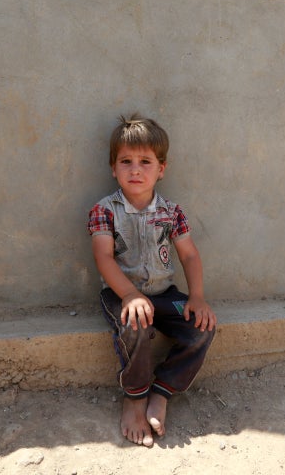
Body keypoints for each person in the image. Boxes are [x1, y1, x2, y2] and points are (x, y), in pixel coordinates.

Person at [87, 113, 217, 447]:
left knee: (202, 328)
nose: (135, 169)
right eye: (125, 161)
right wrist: (129, 295)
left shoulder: (171, 212)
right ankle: (134, 398)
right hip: (122, 294)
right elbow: (103, 256)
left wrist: (197, 296)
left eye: (145, 161)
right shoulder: (105, 210)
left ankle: (162, 390)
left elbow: (188, 255)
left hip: (164, 294)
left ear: (162, 169)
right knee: (136, 326)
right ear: (113, 168)